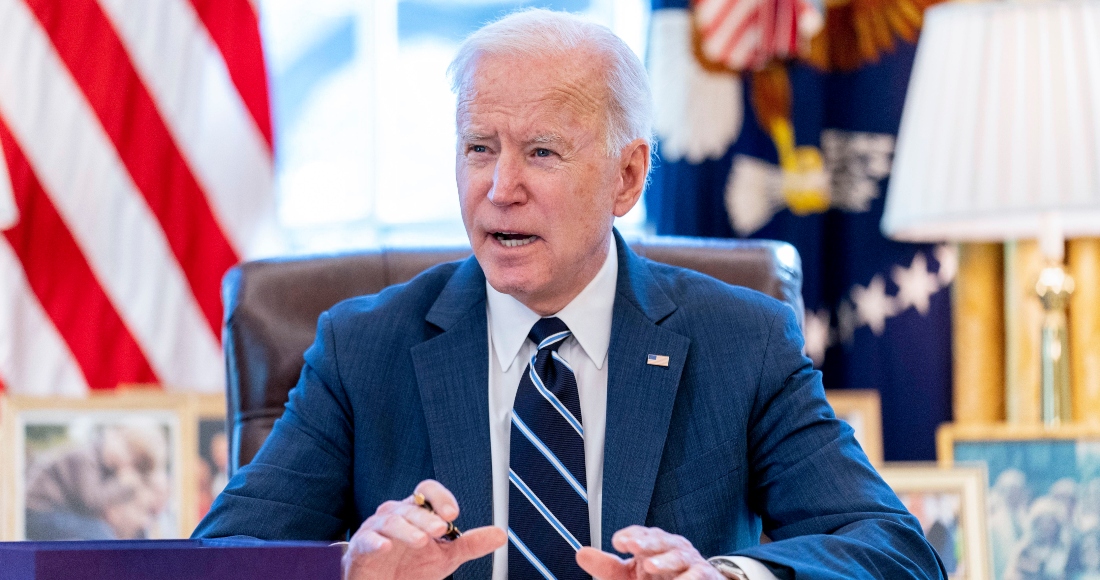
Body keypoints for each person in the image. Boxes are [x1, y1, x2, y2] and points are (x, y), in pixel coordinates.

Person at [194, 9, 945, 580]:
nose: (500, 188)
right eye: (479, 148)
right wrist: (348, 569)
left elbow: (894, 551)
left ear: (628, 177)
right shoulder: (364, 348)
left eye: (542, 152)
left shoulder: (740, 341)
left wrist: (724, 577)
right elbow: (216, 560)